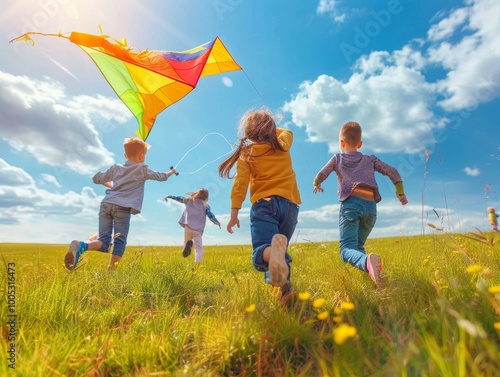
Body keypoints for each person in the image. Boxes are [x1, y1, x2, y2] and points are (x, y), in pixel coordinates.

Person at [218, 108, 301, 306]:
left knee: (266, 251)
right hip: (290, 206)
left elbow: (240, 185)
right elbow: (287, 131)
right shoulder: (283, 143)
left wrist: (234, 213)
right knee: (279, 251)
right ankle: (284, 294)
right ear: (273, 129)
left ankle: (274, 258)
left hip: (264, 205)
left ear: (249, 134)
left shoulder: (247, 154)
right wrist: (271, 129)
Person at [313, 121, 408, 288]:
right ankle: (376, 277)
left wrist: (317, 183)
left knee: (346, 249)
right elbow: (392, 171)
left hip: (351, 205)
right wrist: (400, 192)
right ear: (360, 143)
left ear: (341, 143)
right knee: (357, 246)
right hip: (371, 209)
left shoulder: (337, 158)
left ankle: (366, 262)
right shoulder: (370, 160)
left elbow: (322, 172)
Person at [64, 137, 177, 271]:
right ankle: (110, 272)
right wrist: (171, 172)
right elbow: (161, 177)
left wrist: (109, 182)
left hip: (106, 205)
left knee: (105, 241)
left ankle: (82, 245)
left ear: (125, 155)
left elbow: (96, 178)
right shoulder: (143, 169)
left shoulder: (116, 168)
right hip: (122, 209)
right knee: (119, 241)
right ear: (141, 156)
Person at [165, 188, 221, 262]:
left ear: (195, 194)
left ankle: (185, 249)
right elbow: (210, 215)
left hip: (188, 227)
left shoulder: (189, 200)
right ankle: (197, 263)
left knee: (186, 241)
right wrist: (217, 222)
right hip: (198, 230)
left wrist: (169, 196)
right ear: (206, 198)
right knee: (199, 248)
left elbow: (178, 198)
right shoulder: (206, 206)